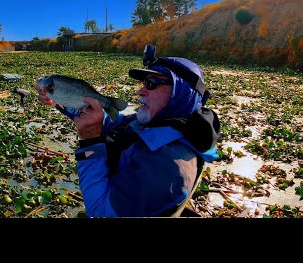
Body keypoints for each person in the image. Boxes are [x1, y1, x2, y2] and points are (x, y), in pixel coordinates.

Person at [36, 46, 220, 217]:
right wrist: (64, 101)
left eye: (151, 83)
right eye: (143, 83)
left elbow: (100, 211)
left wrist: (89, 143)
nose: (140, 91)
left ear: (181, 93)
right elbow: (115, 126)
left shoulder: (169, 165)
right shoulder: (160, 124)